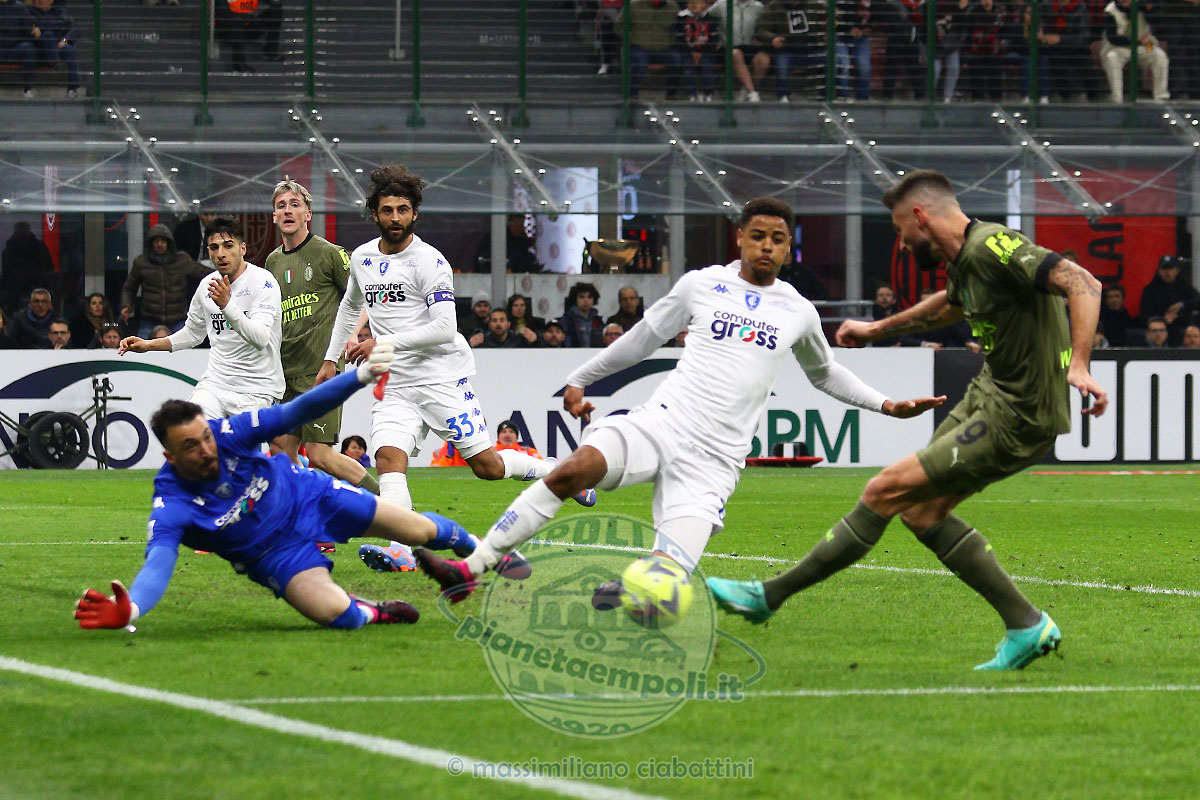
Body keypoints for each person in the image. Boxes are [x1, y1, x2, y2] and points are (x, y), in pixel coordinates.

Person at [411, 196, 942, 609]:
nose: (767, 246)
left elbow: (825, 373)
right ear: (740, 237)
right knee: (571, 471)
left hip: (716, 462)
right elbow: (643, 340)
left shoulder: (798, 311)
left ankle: (636, 590)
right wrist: (580, 378)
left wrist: (887, 405)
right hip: (662, 423)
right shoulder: (702, 285)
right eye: (758, 235)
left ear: (787, 249)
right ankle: (471, 570)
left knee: (664, 587)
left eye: (778, 240)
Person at [705, 170, 1108, 672]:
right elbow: (951, 305)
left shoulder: (993, 245)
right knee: (921, 512)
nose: (901, 241)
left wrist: (1080, 364)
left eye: (900, 230)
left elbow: (1082, 282)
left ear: (920, 217)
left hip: (1020, 413)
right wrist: (877, 329)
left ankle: (768, 596)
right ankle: (1026, 625)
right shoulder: (967, 259)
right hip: (989, 394)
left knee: (884, 489)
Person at [73, 343, 478, 632]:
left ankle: (477, 553)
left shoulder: (229, 432)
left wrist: (359, 376)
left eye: (206, 437)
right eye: (191, 446)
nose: (206, 449)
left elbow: (297, 410)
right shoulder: (173, 502)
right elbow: (158, 562)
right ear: (170, 456)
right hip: (273, 555)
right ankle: (377, 611)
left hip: (310, 496)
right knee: (338, 615)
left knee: (418, 529)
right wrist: (132, 609)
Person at [319, 165, 596, 572]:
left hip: (441, 378)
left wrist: (383, 343)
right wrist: (331, 359)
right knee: (388, 458)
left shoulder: (430, 261)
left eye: (402, 209)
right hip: (395, 383)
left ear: (415, 214)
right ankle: (401, 550)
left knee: (488, 467)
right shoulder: (362, 258)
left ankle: (553, 470)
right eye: (387, 210)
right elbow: (349, 307)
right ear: (374, 214)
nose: (395, 217)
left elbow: (445, 328)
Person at [262, 178, 381, 499]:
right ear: (274, 216)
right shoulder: (272, 262)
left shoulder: (330, 254)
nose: (288, 211)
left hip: (320, 370)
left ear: (308, 214)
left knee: (320, 455)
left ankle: (392, 505)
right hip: (284, 373)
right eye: (281, 206)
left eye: (295, 205)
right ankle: (302, 518)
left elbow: (364, 296)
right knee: (281, 453)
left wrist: (353, 333)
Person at [118, 217, 284, 419]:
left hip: (257, 389)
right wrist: (148, 345)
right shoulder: (206, 285)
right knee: (189, 429)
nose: (221, 254)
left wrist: (226, 305)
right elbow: (192, 334)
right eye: (214, 247)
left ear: (243, 249)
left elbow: (261, 339)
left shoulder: (263, 282)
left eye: (228, 245)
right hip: (215, 384)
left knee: (240, 441)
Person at [120, 224, 210, 338]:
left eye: (163, 241)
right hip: (150, 319)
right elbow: (129, 288)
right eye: (156, 241)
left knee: (185, 347)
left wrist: (224, 273)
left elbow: (202, 272)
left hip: (177, 319)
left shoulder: (181, 260)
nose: (159, 244)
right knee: (141, 348)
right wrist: (126, 305)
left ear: (169, 243)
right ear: (151, 243)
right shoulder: (141, 263)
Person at [1101, 0, 1169, 103]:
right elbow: (1113, 38)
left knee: (1160, 56)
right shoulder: (1110, 11)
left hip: (1145, 44)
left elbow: (1157, 21)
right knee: (1112, 57)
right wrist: (1135, 40)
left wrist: (1146, 9)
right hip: (1119, 47)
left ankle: (1161, 97)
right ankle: (1117, 99)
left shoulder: (1144, 5)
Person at [623, 0, 684, 100]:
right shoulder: (633, 5)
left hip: (663, 48)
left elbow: (680, 27)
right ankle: (632, 94)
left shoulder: (673, 7)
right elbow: (619, 26)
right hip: (639, 47)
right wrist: (633, 39)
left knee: (675, 58)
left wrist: (672, 40)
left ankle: (671, 95)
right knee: (640, 60)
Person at [711, 0, 768, 101]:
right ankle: (752, 93)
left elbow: (763, 26)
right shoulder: (721, 4)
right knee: (736, 54)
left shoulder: (758, 7)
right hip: (726, 47)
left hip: (749, 46)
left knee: (764, 60)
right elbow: (705, 16)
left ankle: (745, 90)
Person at [1139, 255, 1198, 345]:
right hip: (1159, 330)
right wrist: (1162, 319)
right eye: (1164, 269)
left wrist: (1181, 305)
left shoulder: (1184, 286)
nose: (1167, 272)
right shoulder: (1150, 290)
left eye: (1170, 269)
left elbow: (1197, 300)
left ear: (1177, 271)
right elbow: (1144, 314)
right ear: (1159, 271)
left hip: (1182, 327)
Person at [27, 0, 79, 98]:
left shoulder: (60, 12)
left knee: (68, 49)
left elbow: (75, 29)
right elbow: (30, 27)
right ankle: (56, 64)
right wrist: (59, 25)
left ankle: (72, 89)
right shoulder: (30, 13)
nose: (39, 1)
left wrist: (65, 39)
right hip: (41, 50)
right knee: (48, 34)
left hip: (58, 46)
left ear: (51, 1)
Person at [1, 221, 55, 314]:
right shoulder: (9, 250)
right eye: (19, 234)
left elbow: (48, 270)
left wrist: (33, 272)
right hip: (14, 291)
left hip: (37, 287)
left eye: (24, 234)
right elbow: (6, 272)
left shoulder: (39, 248)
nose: (22, 237)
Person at [676, 0, 719, 102]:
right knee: (688, 67)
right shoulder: (681, 18)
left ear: (705, 4)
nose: (694, 4)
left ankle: (709, 93)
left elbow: (714, 40)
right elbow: (680, 39)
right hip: (688, 52)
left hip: (706, 52)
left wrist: (701, 52)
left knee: (706, 66)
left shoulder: (711, 19)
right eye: (691, 2)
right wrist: (691, 52)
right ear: (687, 4)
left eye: (698, 2)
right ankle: (692, 94)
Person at [0, 0, 37, 99]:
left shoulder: (20, 7)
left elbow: (28, 30)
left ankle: (27, 90)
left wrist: (34, 32)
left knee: (28, 48)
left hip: (14, 49)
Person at [560, 281, 604, 347]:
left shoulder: (598, 320)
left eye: (589, 297)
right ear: (575, 299)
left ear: (594, 299)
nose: (586, 300)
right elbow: (566, 343)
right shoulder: (567, 319)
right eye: (582, 297)